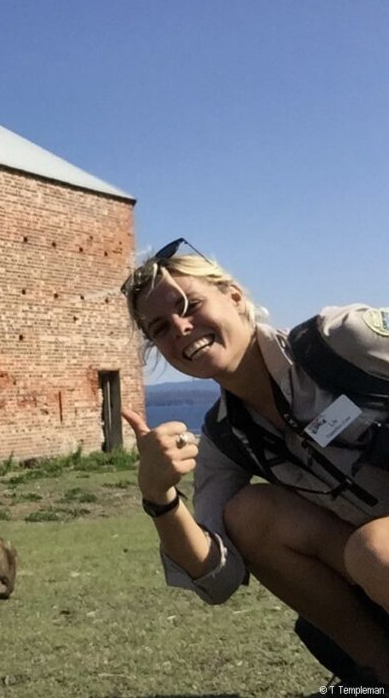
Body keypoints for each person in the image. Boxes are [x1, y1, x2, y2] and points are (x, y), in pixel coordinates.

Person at [119, 238, 389, 686]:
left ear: (235, 296)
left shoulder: (342, 339)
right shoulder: (227, 439)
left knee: (374, 549)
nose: (181, 328)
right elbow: (216, 577)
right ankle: (377, 675)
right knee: (251, 515)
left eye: (190, 304)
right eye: (160, 328)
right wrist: (159, 496)